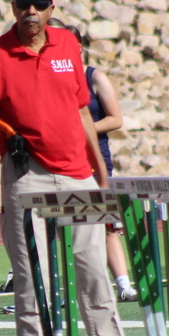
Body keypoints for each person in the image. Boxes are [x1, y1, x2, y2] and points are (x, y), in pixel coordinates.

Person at [0, 0, 140, 336]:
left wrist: (100, 172)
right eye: (24, 3)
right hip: (26, 176)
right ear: (12, 6)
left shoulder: (67, 45)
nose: (31, 11)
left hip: (78, 172)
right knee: (30, 282)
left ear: (51, 9)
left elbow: (83, 113)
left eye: (39, 4)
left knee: (94, 271)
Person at [50, 18, 139, 302]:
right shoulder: (48, 78)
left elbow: (115, 119)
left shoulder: (93, 77)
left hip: (94, 157)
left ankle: (123, 284)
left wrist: (78, 130)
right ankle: (65, 290)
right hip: (59, 160)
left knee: (106, 222)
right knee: (63, 225)